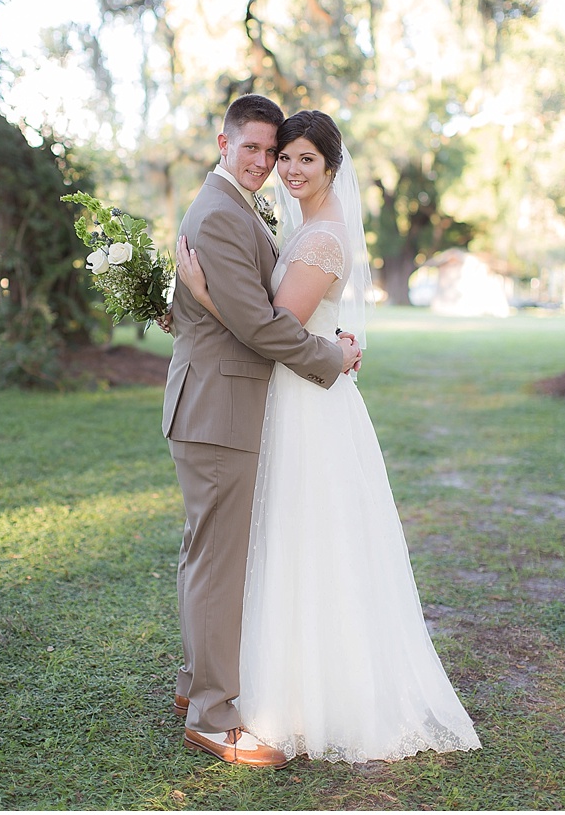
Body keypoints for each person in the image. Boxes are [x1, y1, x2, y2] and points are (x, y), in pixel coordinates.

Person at [176, 108, 482, 764]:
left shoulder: (311, 233)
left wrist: (211, 300)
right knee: (231, 554)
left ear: (330, 169)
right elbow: (262, 321)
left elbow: (268, 318)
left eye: (295, 157)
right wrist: (203, 300)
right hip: (252, 399)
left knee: (267, 547)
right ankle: (207, 701)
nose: (278, 165)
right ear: (227, 144)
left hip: (291, 399)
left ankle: (227, 692)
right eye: (270, 152)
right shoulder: (237, 212)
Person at [162, 95, 360, 768]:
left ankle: (196, 688)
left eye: (271, 152)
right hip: (218, 407)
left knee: (206, 554)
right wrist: (332, 357)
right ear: (224, 144)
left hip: (215, 405)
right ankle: (216, 717)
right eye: (252, 147)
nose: (263, 161)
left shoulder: (232, 207)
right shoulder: (220, 212)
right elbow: (259, 324)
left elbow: (244, 310)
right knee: (217, 561)